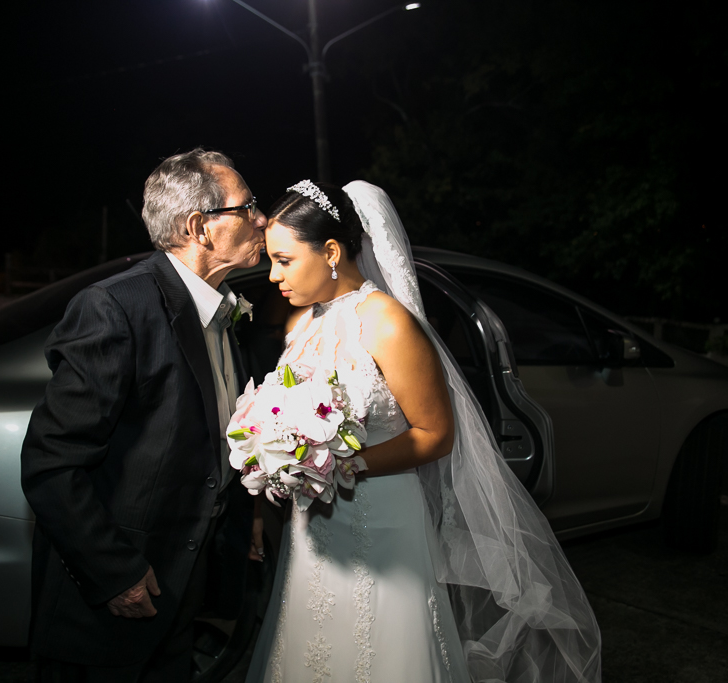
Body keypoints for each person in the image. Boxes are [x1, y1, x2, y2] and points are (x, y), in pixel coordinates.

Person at [245, 180, 602, 683]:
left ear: (329, 251)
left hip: (382, 519)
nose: (275, 275)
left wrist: (338, 463)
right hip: (314, 526)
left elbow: (435, 433)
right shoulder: (303, 324)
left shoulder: (388, 323)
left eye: (284, 260)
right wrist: (271, 477)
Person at [20, 148, 267, 682]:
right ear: (201, 227)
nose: (262, 219)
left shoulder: (224, 309)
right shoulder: (116, 307)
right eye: (247, 207)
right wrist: (114, 574)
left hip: (181, 592)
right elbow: (52, 462)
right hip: (111, 607)